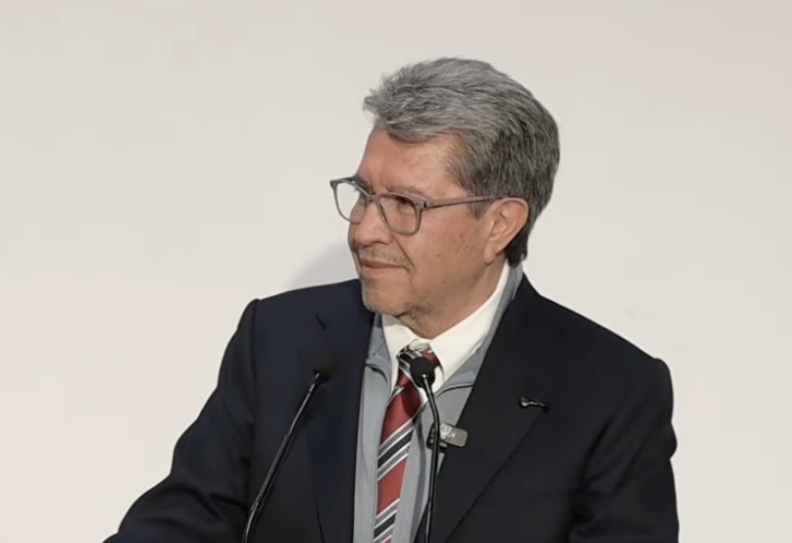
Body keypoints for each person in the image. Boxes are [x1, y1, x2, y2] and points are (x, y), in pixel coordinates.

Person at [104, 57, 678, 543]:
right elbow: (178, 525)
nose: (364, 230)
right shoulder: (281, 340)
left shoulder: (610, 391)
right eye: (363, 194)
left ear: (500, 224)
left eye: (406, 205)